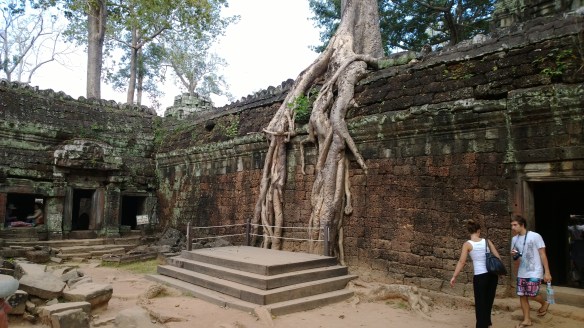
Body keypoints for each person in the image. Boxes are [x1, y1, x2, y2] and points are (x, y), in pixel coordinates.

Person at [450, 219, 501, 328]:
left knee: (480, 303)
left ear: (469, 231)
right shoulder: (487, 241)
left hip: (480, 276)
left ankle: (481, 325)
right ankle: (487, 323)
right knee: (488, 301)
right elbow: (498, 257)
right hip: (492, 276)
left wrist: (454, 276)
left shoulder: (467, 244)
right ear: (478, 231)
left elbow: (462, 262)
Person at [510, 215, 552, 328]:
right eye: (512, 225)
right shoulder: (514, 239)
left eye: (515, 225)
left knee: (531, 294)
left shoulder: (535, 236)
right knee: (522, 295)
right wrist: (515, 255)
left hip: (535, 271)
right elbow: (516, 256)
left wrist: (547, 272)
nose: (513, 227)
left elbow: (543, 254)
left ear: (522, 225)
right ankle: (527, 320)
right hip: (522, 272)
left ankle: (544, 303)